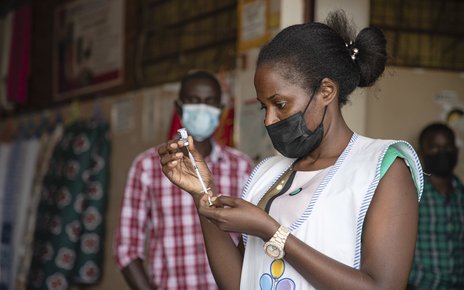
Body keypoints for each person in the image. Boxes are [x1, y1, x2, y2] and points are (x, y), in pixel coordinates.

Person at [158, 10, 424, 290]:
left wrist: (271, 231)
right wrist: (204, 194)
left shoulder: (382, 168)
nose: (268, 120)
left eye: (280, 104)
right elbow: (239, 283)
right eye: (264, 107)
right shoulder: (268, 173)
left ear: (326, 92)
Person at [113, 70, 254, 290]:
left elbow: (253, 242)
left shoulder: (242, 167)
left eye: (210, 102)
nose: (202, 109)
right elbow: (126, 250)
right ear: (179, 107)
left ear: (220, 109)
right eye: (194, 101)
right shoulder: (148, 166)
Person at [408, 123, 464, 290]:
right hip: (418, 286)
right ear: (421, 153)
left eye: (448, 147)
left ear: (457, 151)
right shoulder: (410, 193)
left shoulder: (461, 194)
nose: (442, 153)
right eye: (434, 147)